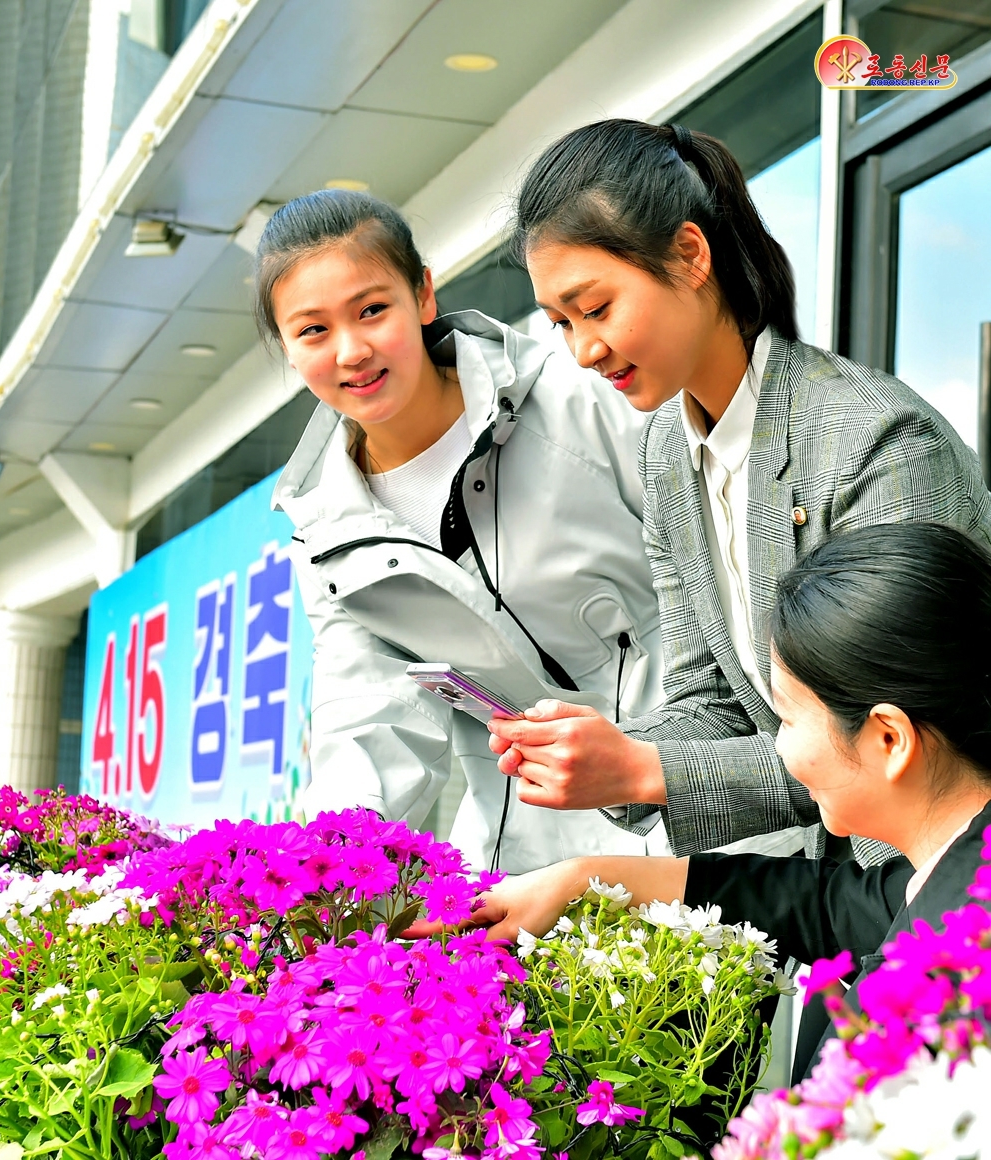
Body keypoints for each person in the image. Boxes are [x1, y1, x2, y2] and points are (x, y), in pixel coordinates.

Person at [486, 119, 991, 865]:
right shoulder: (667, 451)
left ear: (690, 255)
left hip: (938, 871)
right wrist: (607, 753)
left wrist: (646, 770)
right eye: (560, 323)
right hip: (832, 871)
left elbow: (893, 741)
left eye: (595, 309)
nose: (583, 351)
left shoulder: (876, 440)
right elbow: (712, 698)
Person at [431, 522, 991, 1079]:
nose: (777, 746)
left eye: (787, 719)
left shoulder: (946, 989)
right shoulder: (951, 876)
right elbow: (822, 904)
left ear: (889, 739)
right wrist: (579, 881)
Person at [263, 188, 668, 874]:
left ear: (423, 295)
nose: (352, 351)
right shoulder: (326, 536)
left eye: (372, 310)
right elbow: (367, 723)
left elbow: (716, 578)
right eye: (313, 331)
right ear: (287, 348)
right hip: (531, 861)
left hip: (698, 812)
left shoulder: (577, 396)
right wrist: (326, 880)